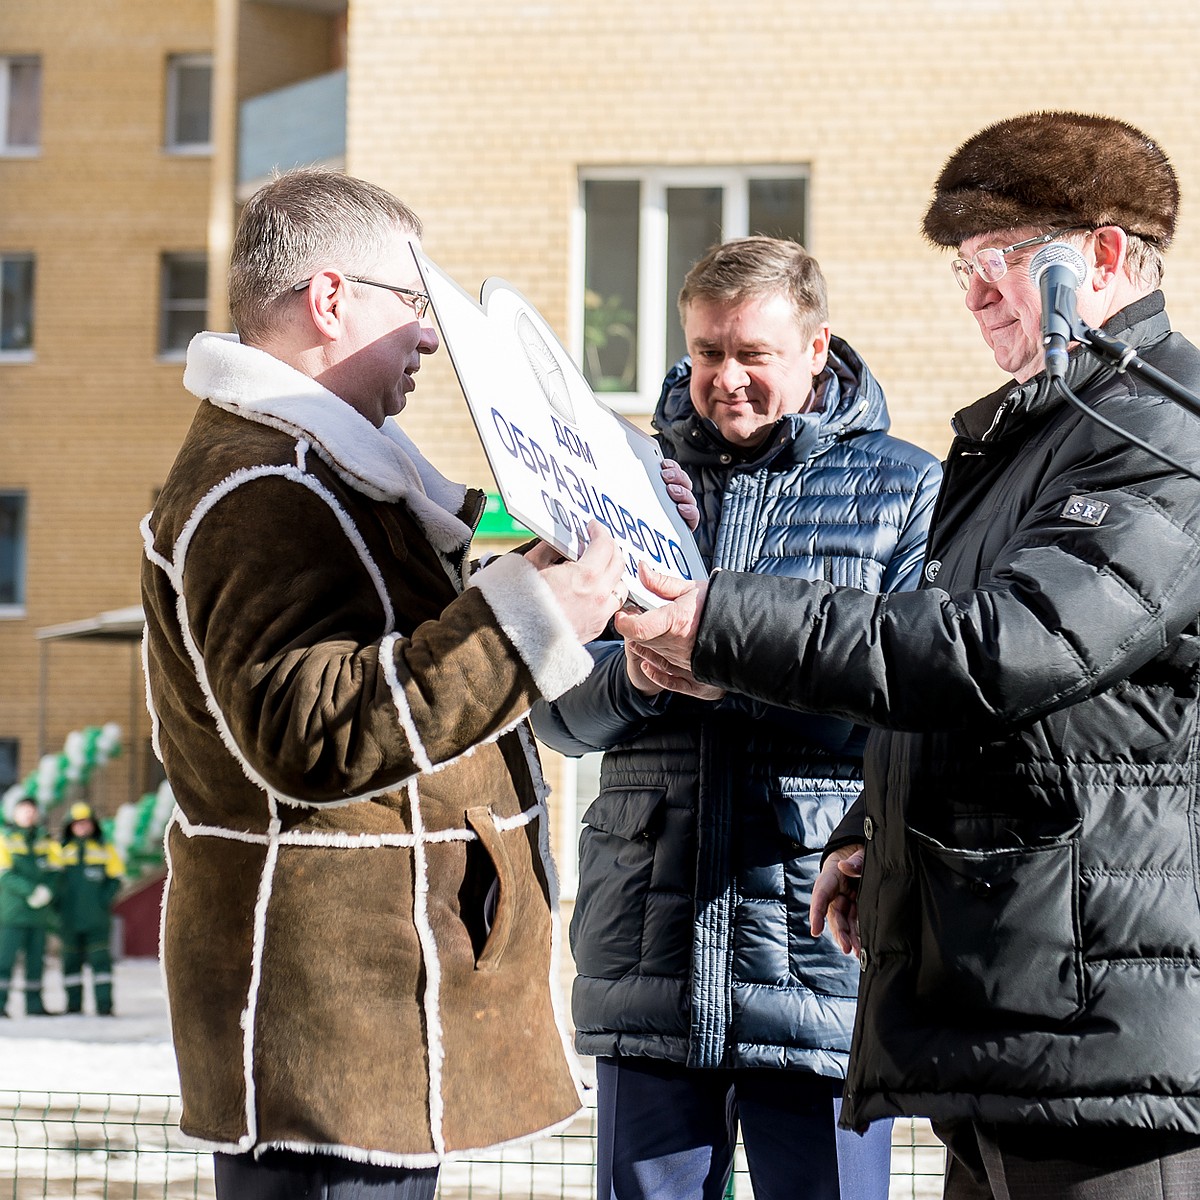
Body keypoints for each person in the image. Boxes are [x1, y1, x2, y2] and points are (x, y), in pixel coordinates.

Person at [612, 111, 1200, 1199]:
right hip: (1008, 1002)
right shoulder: (1042, 433)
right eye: (964, 272)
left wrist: (720, 620)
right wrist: (871, 829)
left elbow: (1008, 650)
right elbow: (953, 688)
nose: (975, 298)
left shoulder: (1159, 436)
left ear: (1106, 256)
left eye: (1001, 266)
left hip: (1105, 1017)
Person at [139, 165, 677, 1200]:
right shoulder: (264, 489)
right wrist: (535, 618)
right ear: (330, 300)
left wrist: (609, 510)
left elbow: (448, 528)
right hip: (328, 1023)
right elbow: (314, 735)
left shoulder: (331, 469)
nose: (431, 336)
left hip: (362, 1019)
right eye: (412, 304)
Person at [531, 236, 941, 1200]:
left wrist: (734, 674)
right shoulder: (622, 481)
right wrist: (641, 678)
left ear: (816, 347)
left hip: (816, 955)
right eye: (707, 352)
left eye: (753, 354)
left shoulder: (905, 490)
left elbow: (918, 715)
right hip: (648, 953)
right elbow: (554, 714)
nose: (727, 379)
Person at [56, 801, 123, 1016]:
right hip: (69, 920)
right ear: (70, 826)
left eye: (86, 823)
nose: (82, 827)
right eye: (77, 824)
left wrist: (103, 901)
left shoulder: (106, 850)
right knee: (71, 964)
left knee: (101, 964)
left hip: (97, 919)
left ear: (93, 825)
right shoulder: (60, 851)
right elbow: (53, 881)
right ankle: (73, 1006)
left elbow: (116, 879)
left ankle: (105, 1006)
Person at [0, 794, 59, 1016]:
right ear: (14, 813)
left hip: (38, 914)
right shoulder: (5, 839)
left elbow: (55, 871)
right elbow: (4, 875)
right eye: (24, 810)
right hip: (12, 913)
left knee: (36, 963)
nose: (29, 814)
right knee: (4, 961)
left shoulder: (46, 841)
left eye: (32, 810)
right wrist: (32, 891)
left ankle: (34, 1005)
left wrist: (48, 890)